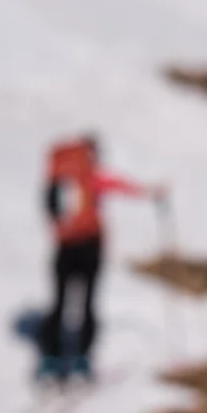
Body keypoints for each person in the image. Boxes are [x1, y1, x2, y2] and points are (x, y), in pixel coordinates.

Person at [37, 133, 163, 379]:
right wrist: (150, 192)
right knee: (87, 303)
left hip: (64, 248)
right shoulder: (91, 176)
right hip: (90, 247)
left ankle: (50, 359)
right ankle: (82, 360)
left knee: (59, 302)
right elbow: (119, 185)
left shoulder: (60, 175)